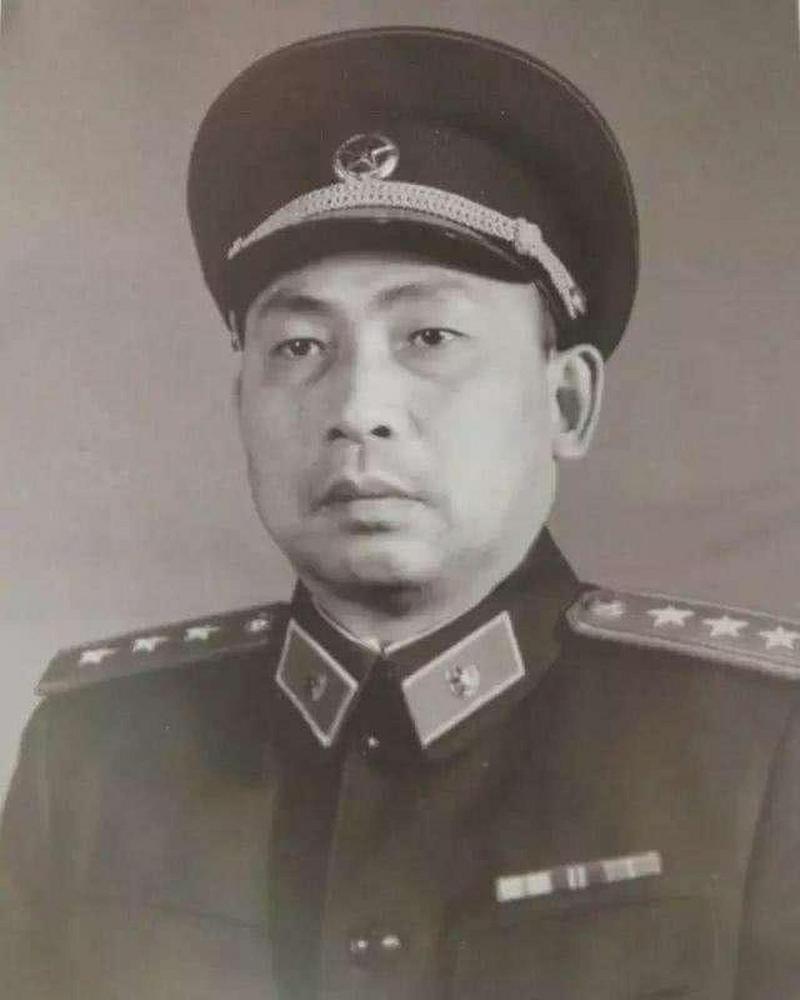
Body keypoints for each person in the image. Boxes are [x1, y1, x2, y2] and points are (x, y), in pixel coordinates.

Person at [2, 26, 799, 1000]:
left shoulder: (759, 750)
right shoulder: (91, 756)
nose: (356, 408)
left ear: (566, 402)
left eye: (429, 336)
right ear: (241, 400)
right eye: (300, 347)